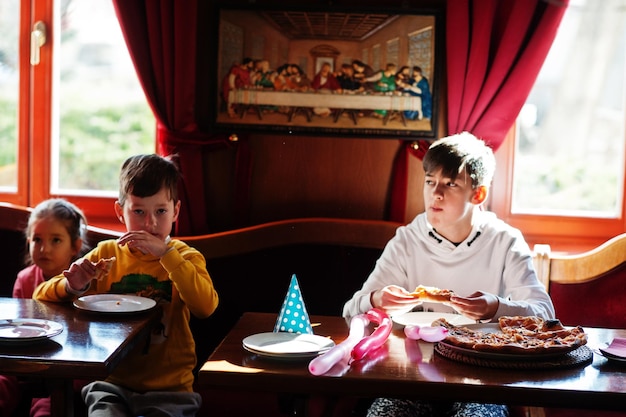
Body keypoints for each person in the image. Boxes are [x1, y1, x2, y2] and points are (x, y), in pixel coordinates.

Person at [343, 132, 554, 417]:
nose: (435, 194)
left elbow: (545, 314)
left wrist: (495, 306)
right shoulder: (407, 240)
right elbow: (350, 312)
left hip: (481, 379)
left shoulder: (505, 241)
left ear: (478, 194)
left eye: (450, 184)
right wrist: (377, 298)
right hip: (411, 377)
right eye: (430, 182)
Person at [33, 154, 219, 417]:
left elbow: (206, 307)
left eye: (161, 211)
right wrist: (73, 286)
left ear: (176, 211)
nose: (150, 223)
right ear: (120, 212)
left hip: (171, 390)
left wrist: (167, 255)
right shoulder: (107, 253)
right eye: (139, 211)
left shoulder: (186, 257)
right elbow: (39, 295)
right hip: (111, 385)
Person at [0, 198, 88, 417]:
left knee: (46, 407)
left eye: (56, 240)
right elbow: (15, 331)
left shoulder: (85, 282)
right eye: (37, 239)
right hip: (27, 366)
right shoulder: (25, 279)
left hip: (70, 371)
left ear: (75, 246)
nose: (44, 248)